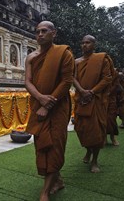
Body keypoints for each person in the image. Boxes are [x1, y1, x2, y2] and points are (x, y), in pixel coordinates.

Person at [25, 21, 74, 201]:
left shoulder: (64, 53)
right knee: (42, 143)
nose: (40, 34)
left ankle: (44, 192)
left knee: (55, 145)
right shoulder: (31, 57)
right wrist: (41, 99)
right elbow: (28, 82)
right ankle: (57, 179)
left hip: (58, 106)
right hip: (38, 105)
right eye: (37, 31)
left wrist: (48, 105)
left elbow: (66, 81)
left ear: (54, 33)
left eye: (44, 31)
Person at [73, 35, 113, 173]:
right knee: (81, 129)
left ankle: (95, 160)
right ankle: (88, 151)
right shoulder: (77, 61)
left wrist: (92, 92)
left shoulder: (102, 59)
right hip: (81, 100)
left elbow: (107, 78)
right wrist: (82, 91)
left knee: (96, 131)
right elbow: (73, 77)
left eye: (88, 42)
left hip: (96, 100)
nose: (85, 45)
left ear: (94, 45)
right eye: (83, 43)